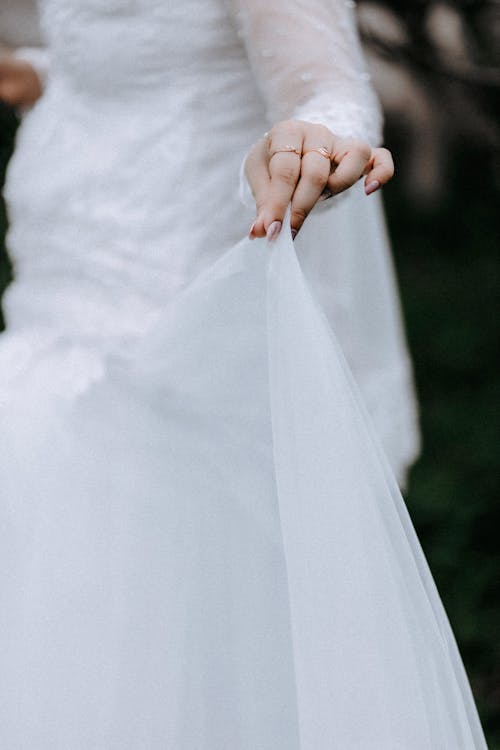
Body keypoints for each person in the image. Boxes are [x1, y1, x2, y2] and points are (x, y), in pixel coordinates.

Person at [0, 1, 488, 748]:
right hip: (48, 311)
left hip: (163, 356)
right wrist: (48, 73)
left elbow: (330, 92)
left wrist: (315, 144)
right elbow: (148, 51)